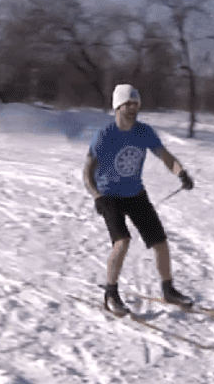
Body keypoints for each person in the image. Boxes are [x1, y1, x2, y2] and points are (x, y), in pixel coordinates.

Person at [83, 84, 196, 314]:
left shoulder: (144, 132)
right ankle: (111, 293)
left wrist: (181, 173)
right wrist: (97, 196)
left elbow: (165, 156)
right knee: (122, 241)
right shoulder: (104, 135)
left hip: (136, 193)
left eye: (136, 104)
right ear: (118, 106)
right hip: (109, 195)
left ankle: (168, 289)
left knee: (160, 243)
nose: (133, 108)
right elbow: (87, 171)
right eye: (128, 104)